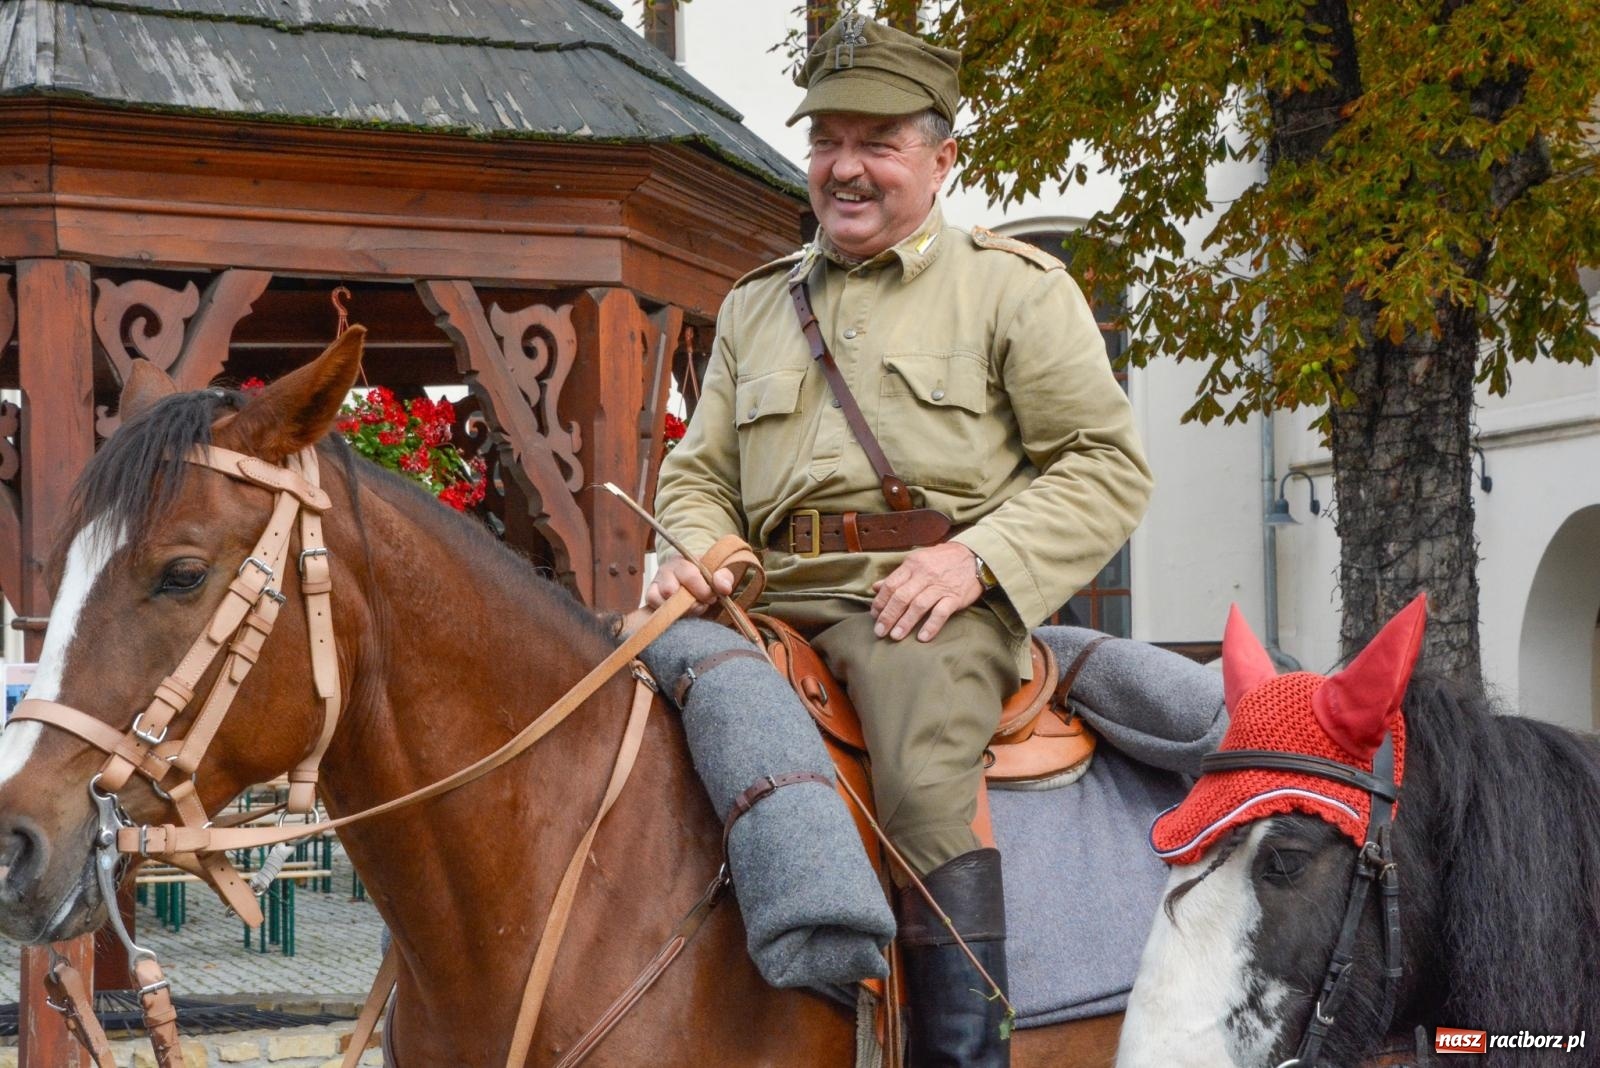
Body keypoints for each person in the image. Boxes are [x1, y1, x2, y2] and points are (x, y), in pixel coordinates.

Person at [647, 14, 1152, 1066]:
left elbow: (1106, 466)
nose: (845, 167)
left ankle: (965, 1054)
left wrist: (974, 560)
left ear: (940, 157)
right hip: (766, 599)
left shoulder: (1012, 289)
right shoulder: (756, 307)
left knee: (923, 785)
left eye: (877, 141)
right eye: (827, 138)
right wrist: (703, 546)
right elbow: (696, 474)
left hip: (927, 609)